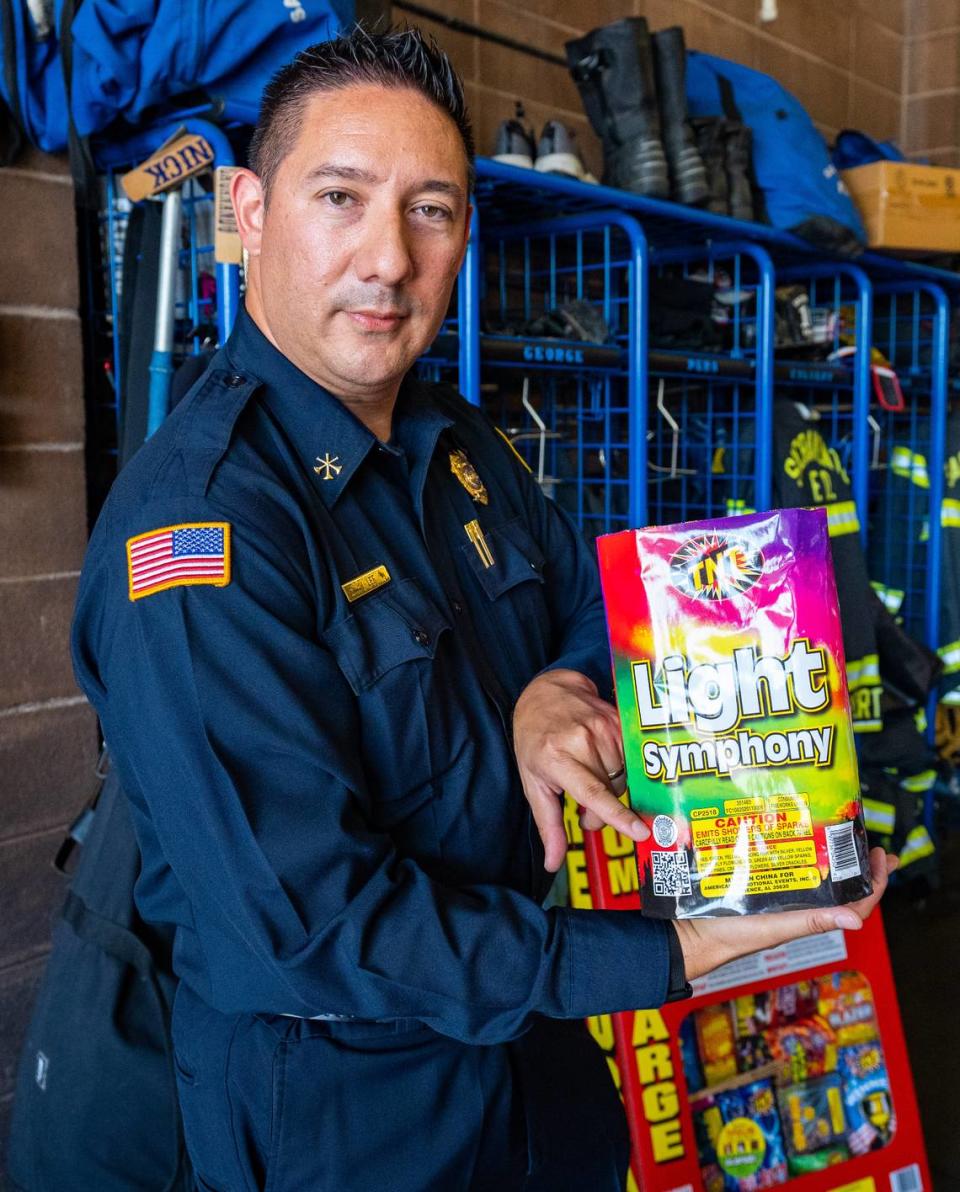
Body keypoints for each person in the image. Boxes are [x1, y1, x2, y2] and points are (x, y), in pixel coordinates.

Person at [71, 26, 894, 1192]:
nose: (388, 260)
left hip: (532, 1070)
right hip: (352, 1118)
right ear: (249, 211)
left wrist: (554, 687)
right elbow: (315, 930)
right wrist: (670, 948)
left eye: (432, 211)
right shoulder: (198, 540)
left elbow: (589, 600)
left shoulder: (457, 444)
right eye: (341, 198)